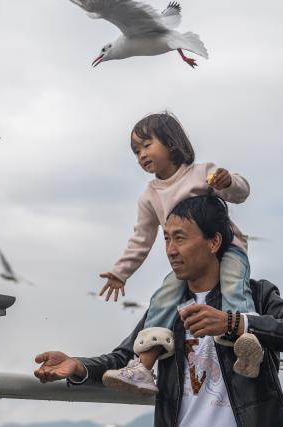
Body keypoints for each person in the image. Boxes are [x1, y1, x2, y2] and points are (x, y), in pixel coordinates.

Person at [35, 195, 283, 427]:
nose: (171, 250)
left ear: (214, 242)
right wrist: (78, 367)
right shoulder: (166, 306)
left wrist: (234, 322)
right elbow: (125, 358)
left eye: (180, 238)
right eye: (166, 239)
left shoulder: (256, 295)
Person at [99, 112, 259, 393]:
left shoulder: (201, 173)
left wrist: (227, 182)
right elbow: (142, 238)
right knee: (162, 299)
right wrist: (120, 272)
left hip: (229, 248)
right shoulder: (150, 195)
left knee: (235, 286)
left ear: (172, 143)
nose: (141, 155)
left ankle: (247, 346)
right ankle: (143, 368)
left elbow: (242, 193)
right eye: (136, 151)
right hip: (189, 265)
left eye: (147, 145)